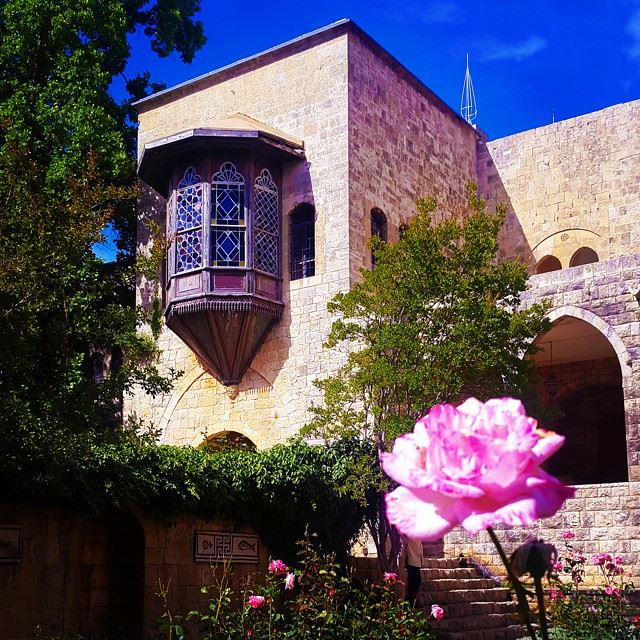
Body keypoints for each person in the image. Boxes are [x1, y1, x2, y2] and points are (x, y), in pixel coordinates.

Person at [402, 536, 423, 605]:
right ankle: (410, 600)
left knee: (417, 581)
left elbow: (420, 549)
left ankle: (413, 599)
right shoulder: (408, 536)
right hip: (411, 560)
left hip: (417, 561)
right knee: (413, 581)